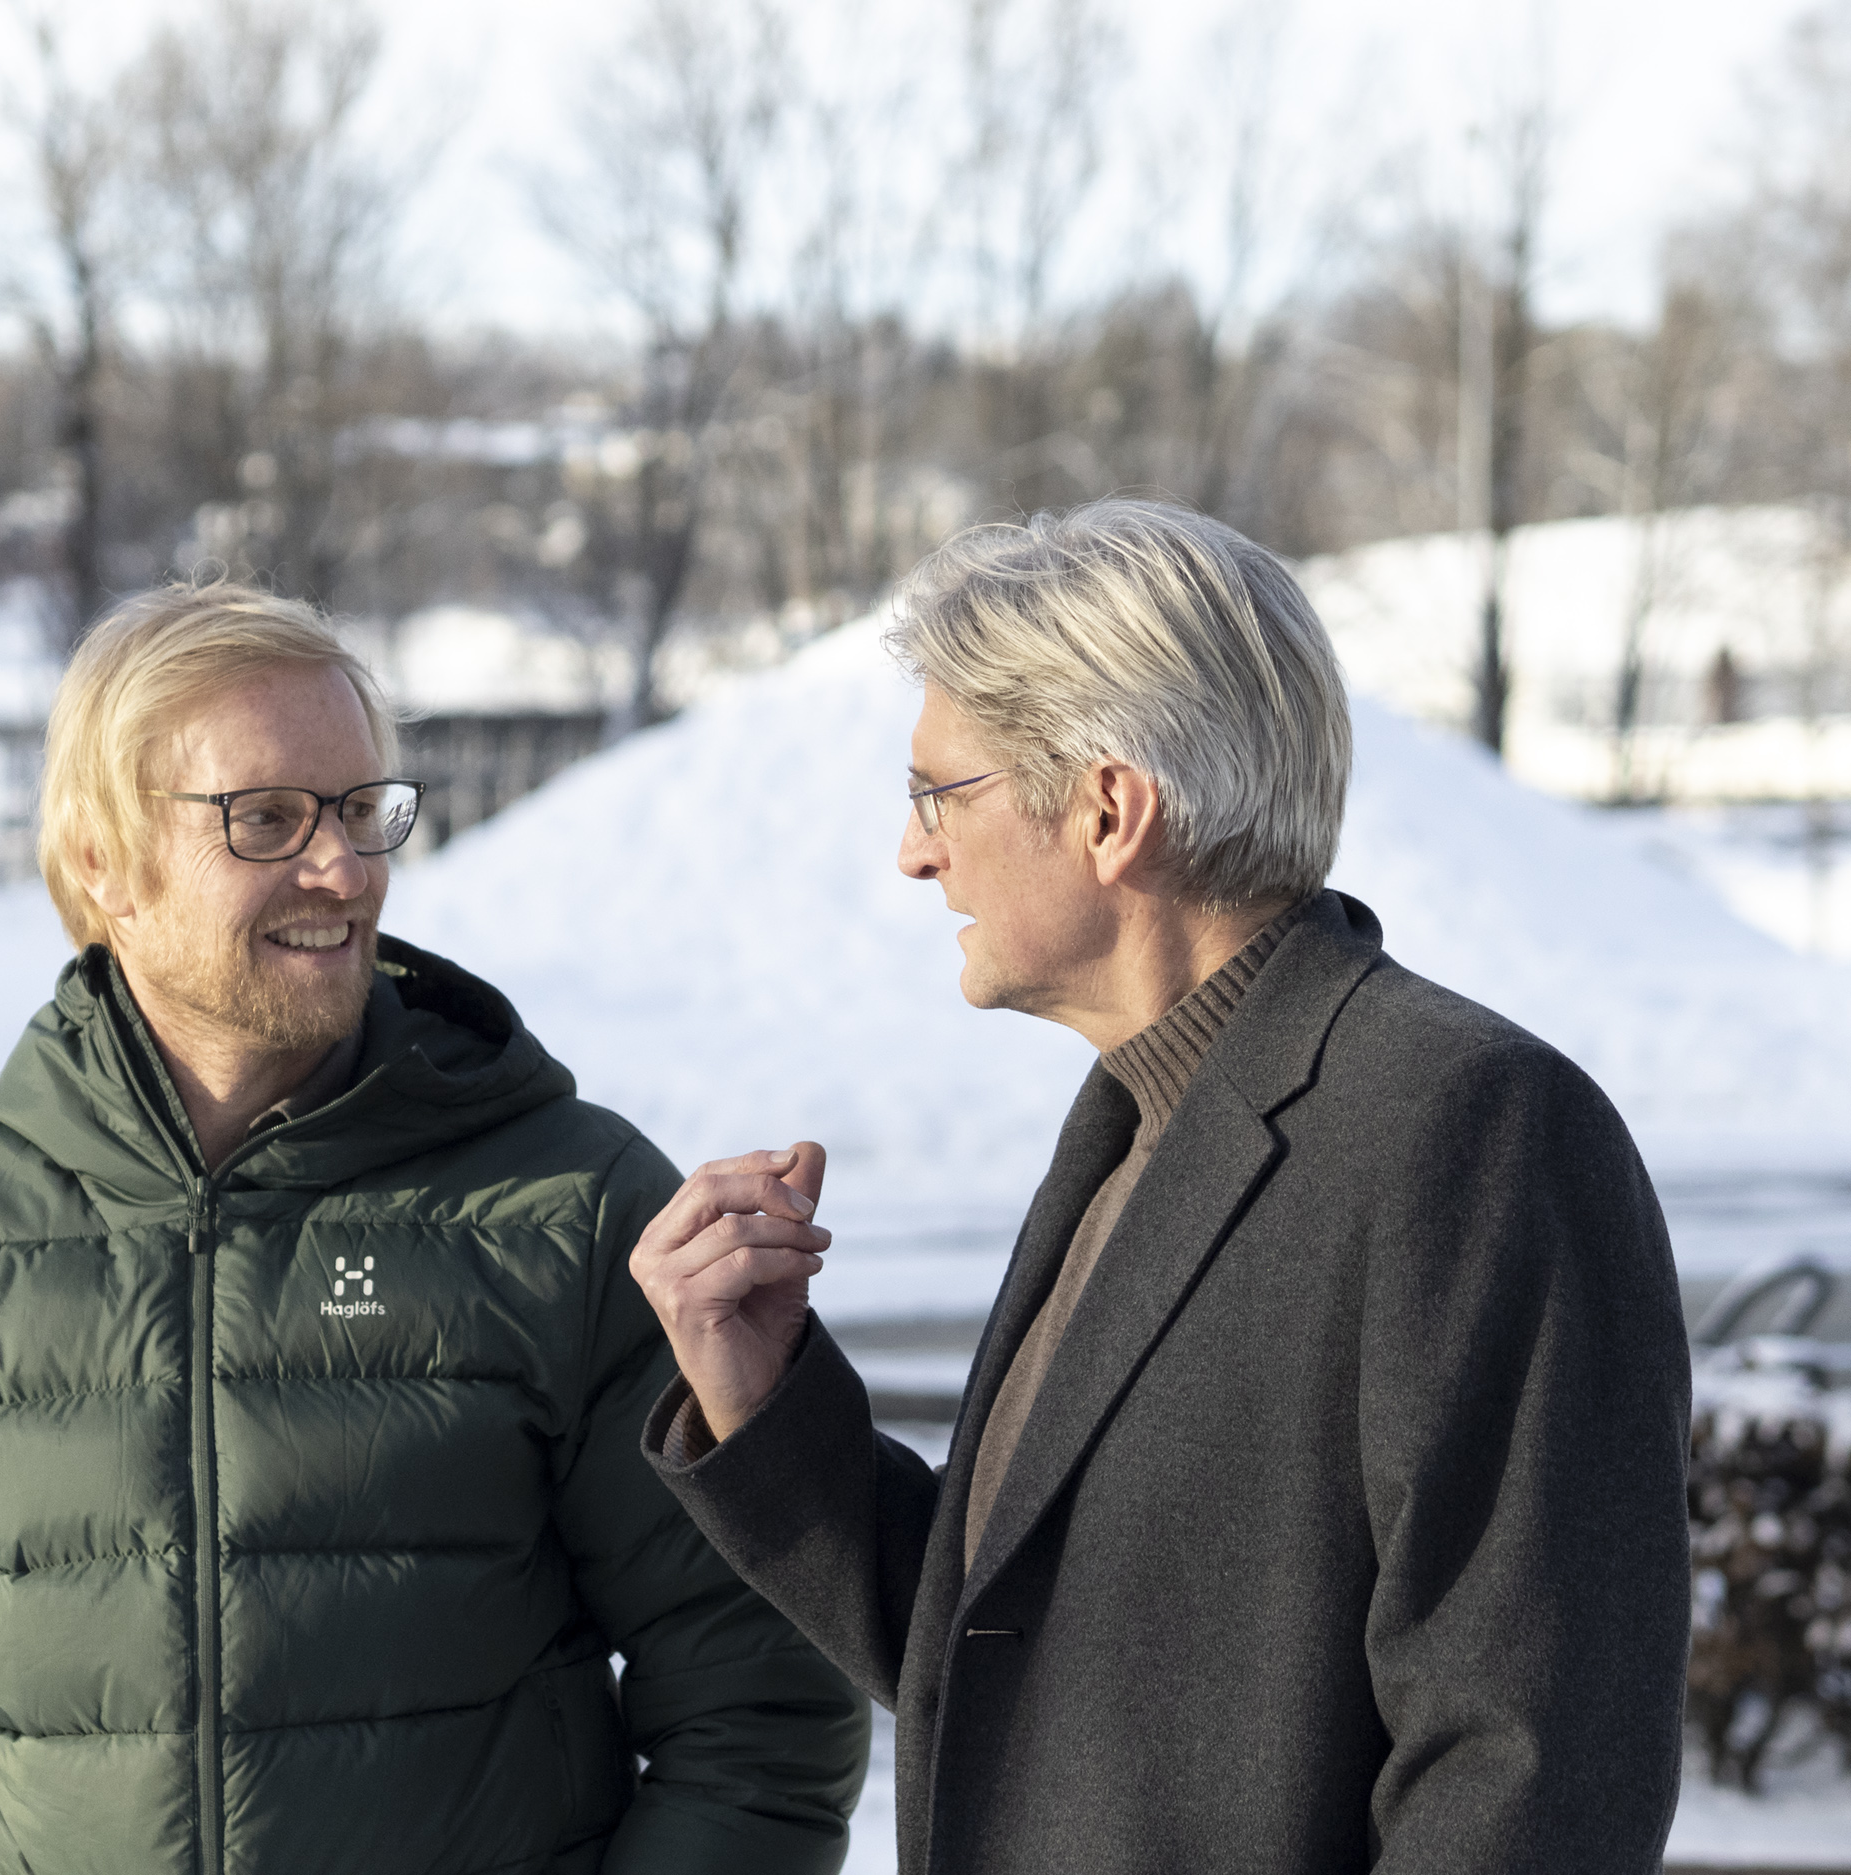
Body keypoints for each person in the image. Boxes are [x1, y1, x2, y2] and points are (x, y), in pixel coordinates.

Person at [0, 583, 866, 1873]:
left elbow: (760, 1712)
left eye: (362, 811)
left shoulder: (567, 1214)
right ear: (102, 863)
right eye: (268, 819)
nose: (343, 869)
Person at [630, 500, 1693, 1875]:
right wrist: (763, 1400)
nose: (913, 852)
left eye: (939, 794)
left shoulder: (1472, 1127)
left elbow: (1531, 1771)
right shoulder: (1134, 1127)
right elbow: (1027, 1669)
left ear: (1110, 809)